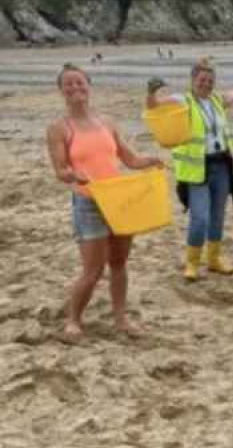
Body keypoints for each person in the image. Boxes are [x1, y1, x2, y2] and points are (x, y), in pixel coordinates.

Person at [46, 64, 163, 341]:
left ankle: (121, 319)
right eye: (69, 84)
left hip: (119, 200)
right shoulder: (59, 128)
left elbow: (129, 159)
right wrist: (72, 175)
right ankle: (73, 320)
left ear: (89, 85)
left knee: (119, 263)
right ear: (61, 91)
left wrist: (150, 161)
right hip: (88, 202)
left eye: (80, 82)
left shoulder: (107, 122)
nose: (75, 88)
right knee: (93, 269)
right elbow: (60, 170)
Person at [146, 59, 233, 281]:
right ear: (193, 80)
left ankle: (214, 259)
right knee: (200, 218)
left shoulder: (216, 100)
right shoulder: (183, 100)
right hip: (197, 169)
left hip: (222, 165)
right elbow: (154, 106)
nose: (206, 84)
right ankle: (192, 262)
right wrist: (152, 91)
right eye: (202, 80)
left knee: (218, 215)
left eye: (210, 80)